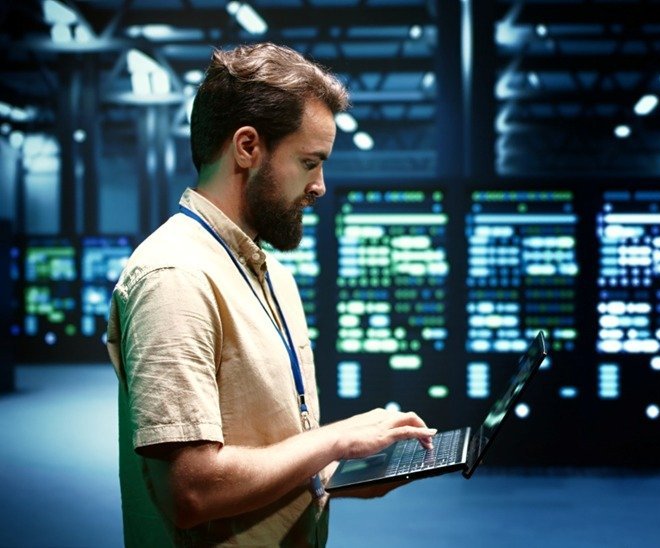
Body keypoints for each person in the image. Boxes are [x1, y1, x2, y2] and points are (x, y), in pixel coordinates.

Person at [107, 42, 437, 546]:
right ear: (247, 147)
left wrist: (340, 471)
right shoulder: (173, 275)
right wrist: (336, 440)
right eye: (309, 162)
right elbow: (194, 491)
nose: (321, 186)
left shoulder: (271, 274)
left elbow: (270, 446)